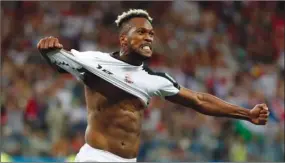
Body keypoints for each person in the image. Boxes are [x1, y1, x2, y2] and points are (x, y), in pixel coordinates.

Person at [37, 9, 270, 162]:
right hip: (95, 157)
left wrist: (246, 114)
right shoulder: (93, 61)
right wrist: (48, 51)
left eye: (151, 33)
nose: (149, 37)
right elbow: (60, 60)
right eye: (141, 32)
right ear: (123, 39)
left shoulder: (154, 79)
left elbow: (199, 100)